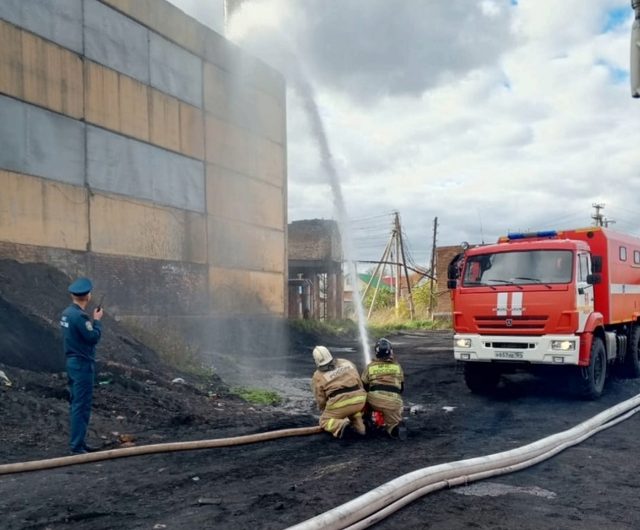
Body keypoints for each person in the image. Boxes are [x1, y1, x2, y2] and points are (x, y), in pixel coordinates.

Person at [60, 277, 103, 454]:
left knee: (76, 403)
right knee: (81, 405)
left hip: (71, 363)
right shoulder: (80, 316)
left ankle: (80, 443)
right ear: (88, 296)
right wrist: (97, 320)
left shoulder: (66, 313)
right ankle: (77, 446)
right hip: (82, 365)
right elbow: (93, 338)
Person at [310, 345, 367, 439]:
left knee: (324, 420)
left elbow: (321, 399)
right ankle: (360, 428)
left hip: (340, 403)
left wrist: (327, 410)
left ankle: (341, 426)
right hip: (360, 400)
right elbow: (359, 380)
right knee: (353, 412)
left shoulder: (318, 375)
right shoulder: (346, 362)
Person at [361, 338, 406, 439]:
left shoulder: (370, 367)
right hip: (394, 401)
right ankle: (394, 428)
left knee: (361, 397)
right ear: (390, 352)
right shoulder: (397, 367)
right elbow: (401, 388)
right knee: (394, 422)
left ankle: (365, 421)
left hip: (375, 400)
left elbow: (363, 387)